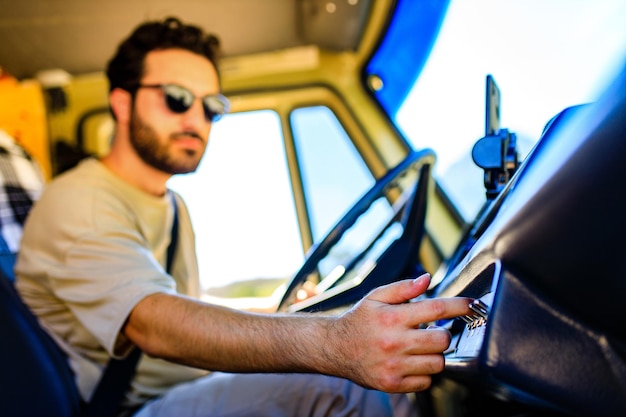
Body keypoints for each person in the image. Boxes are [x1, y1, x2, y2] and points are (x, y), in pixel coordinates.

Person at [14, 16, 472, 417]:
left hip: (186, 386)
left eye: (212, 106)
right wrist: (336, 342)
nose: (196, 119)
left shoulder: (172, 207)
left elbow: (182, 305)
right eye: (176, 98)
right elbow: (153, 321)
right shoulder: (80, 202)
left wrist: (281, 310)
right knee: (341, 389)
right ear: (121, 102)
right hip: (125, 409)